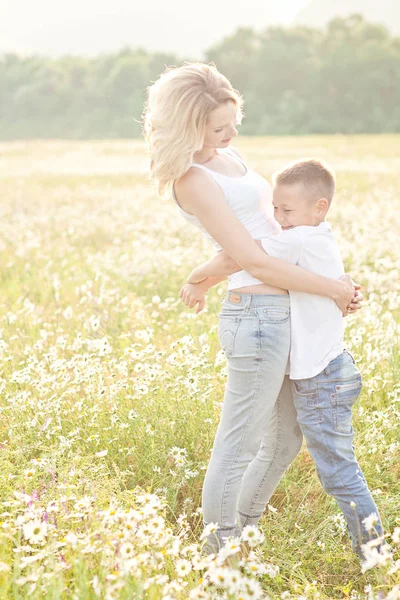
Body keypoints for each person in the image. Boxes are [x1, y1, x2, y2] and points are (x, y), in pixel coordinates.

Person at [142, 61, 362, 555]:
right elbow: (255, 262)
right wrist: (330, 288)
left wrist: (203, 274)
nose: (232, 132)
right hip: (257, 320)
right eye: (219, 126)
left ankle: (241, 534)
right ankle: (217, 552)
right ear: (188, 125)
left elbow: (263, 237)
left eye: (232, 120)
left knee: (286, 442)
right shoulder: (191, 178)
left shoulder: (229, 156)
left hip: (288, 312)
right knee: (239, 444)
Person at [184, 158, 383, 558]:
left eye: (286, 210)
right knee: (323, 462)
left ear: (319, 207)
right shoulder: (319, 236)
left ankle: (378, 557)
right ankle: (241, 537)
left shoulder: (297, 239)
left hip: (323, 376)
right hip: (330, 369)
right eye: (274, 208)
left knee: (340, 473)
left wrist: (195, 278)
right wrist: (342, 289)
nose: (277, 218)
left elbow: (238, 258)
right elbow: (331, 286)